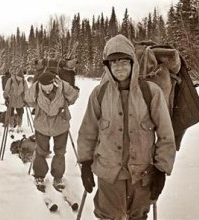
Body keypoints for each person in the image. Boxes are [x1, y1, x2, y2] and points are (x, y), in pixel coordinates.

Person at [77, 34, 176, 219]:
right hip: (109, 175)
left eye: (124, 61)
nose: (119, 67)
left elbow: (166, 135)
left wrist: (161, 170)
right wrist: (85, 164)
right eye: (114, 63)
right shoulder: (100, 94)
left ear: (133, 63)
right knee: (107, 216)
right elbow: (88, 132)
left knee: (137, 217)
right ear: (108, 67)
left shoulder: (151, 92)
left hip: (141, 175)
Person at [25, 71, 79, 192]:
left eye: (48, 88)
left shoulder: (63, 85)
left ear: (53, 83)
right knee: (40, 151)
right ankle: (39, 176)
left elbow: (74, 96)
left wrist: (66, 104)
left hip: (60, 125)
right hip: (42, 125)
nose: (47, 90)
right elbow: (29, 99)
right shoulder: (37, 87)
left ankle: (58, 177)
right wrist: (37, 107)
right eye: (44, 88)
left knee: (60, 152)